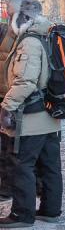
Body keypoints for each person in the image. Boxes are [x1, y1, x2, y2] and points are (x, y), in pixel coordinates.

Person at [0, 0, 62, 227]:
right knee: (50, 165)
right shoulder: (47, 35)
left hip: (32, 115)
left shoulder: (29, 41)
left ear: (20, 17)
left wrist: (6, 106)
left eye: (10, 14)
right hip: (49, 114)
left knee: (22, 164)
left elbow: (25, 82)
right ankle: (50, 210)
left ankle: (21, 215)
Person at [0, 23, 16, 202]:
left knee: (8, 146)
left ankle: (7, 188)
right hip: (7, 98)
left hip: (9, 100)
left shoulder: (12, 36)